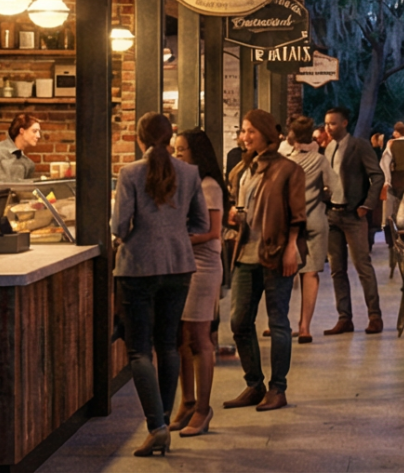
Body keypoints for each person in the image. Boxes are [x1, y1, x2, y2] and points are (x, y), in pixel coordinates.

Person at [113, 113, 209, 457]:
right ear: (170, 139)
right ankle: (164, 421)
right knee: (168, 344)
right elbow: (200, 221)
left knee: (139, 350)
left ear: (139, 139)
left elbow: (120, 225)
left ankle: (156, 427)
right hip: (179, 266)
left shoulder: (130, 173)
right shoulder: (189, 172)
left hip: (137, 268)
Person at [223, 109, 304, 412]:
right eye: (243, 131)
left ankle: (278, 388)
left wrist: (291, 248)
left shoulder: (288, 169)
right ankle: (254, 384)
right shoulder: (245, 168)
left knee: (278, 321)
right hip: (245, 252)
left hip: (275, 251)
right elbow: (246, 206)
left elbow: (297, 215)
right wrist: (235, 215)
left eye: (251, 131)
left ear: (266, 133)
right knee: (239, 321)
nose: (245, 137)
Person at [173, 127, 229, 438]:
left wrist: (176, 238)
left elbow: (212, 232)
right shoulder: (190, 183)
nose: (177, 154)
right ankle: (187, 401)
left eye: (181, 149)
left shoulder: (209, 186)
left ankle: (204, 409)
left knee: (199, 337)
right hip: (185, 265)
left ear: (197, 152)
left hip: (204, 266)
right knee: (182, 337)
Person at [319, 107, 383, 335]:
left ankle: (375, 315)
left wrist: (367, 204)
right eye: (326, 123)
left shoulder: (359, 145)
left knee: (362, 266)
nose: (328, 127)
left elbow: (377, 175)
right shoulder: (327, 148)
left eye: (333, 123)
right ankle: (344, 317)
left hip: (353, 214)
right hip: (333, 214)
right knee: (337, 269)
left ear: (345, 123)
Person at [283, 115, 328, 342]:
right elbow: (336, 188)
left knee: (285, 272)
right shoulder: (319, 160)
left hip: (289, 220)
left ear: (290, 136)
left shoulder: (284, 161)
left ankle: (279, 322)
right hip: (315, 218)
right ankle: (304, 327)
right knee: (310, 272)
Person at [0, 113, 44, 190]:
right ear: (22, 131)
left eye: (38, 131)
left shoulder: (29, 164)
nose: (38, 136)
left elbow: (27, 192)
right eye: (34, 131)